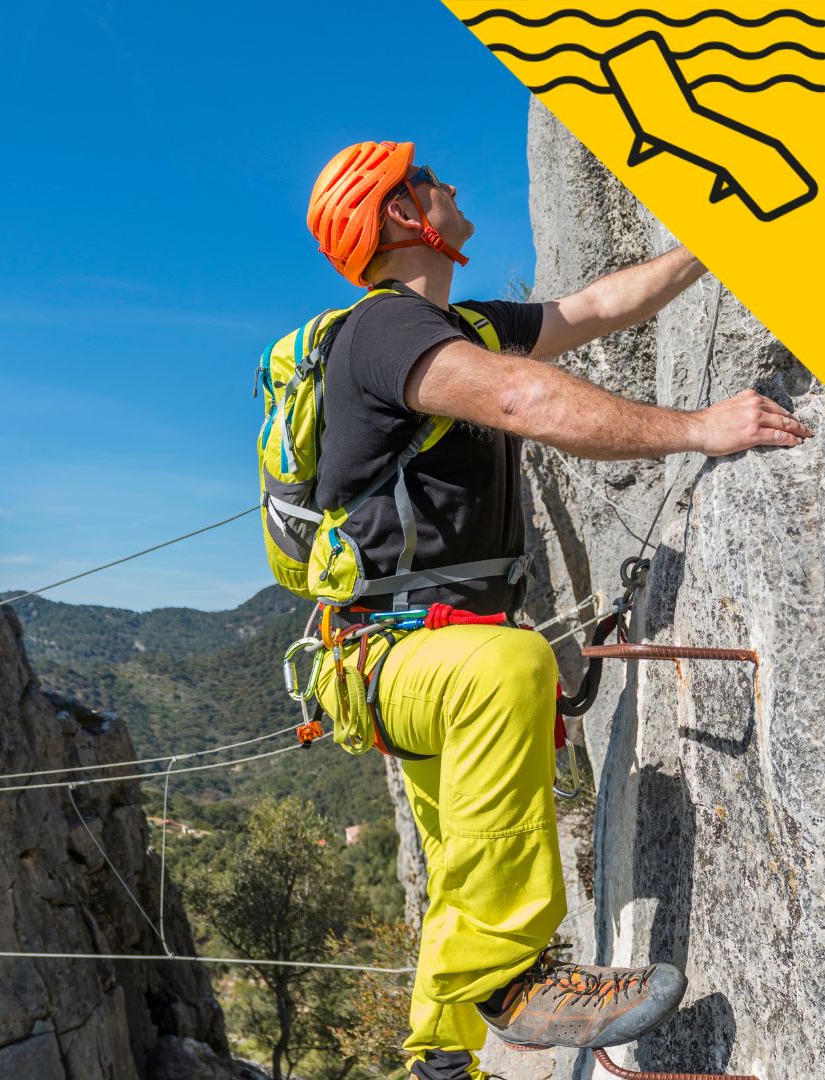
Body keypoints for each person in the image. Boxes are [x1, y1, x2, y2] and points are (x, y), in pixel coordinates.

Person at [302, 140, 811, 1080]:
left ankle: (441, 1065)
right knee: (511, 666)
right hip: (414, 659)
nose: (448, 182)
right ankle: (517, 979)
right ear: (401, 215)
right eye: (426, 179)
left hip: (411, 658)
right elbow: (527, 400)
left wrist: (715, 242)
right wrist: (698, 430)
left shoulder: (462, 326)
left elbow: (593, 307)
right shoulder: (383, 332)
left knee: (466, 858)